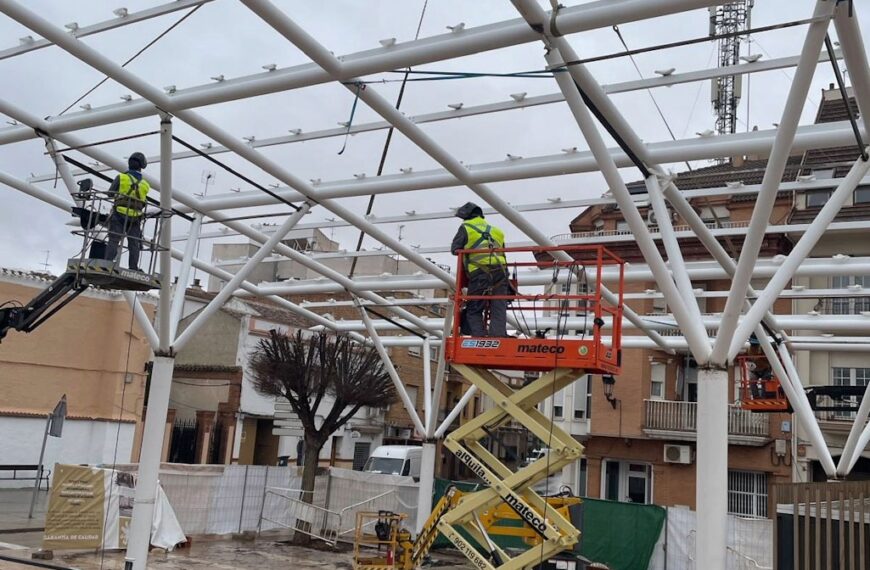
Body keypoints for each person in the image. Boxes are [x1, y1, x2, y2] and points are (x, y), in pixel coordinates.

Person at [451, 202, 509, 337]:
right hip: (500, 272)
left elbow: (455, 249)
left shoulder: (466, 227)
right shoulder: (497, 231)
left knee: (474, 308)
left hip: (479, 272)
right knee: (499, 306)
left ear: (466, 216)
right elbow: (502, 251)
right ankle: (498, 336)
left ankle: (479, 338)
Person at [106, 152, 150, 271]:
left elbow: (110, 193)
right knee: (134, 243)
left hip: (119, 213)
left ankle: (107, 264)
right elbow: (143, 202)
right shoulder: (145, 184)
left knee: (114, 240)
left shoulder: (121, 177)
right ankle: (133, 268)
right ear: (142, 165)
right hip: (135, 217)